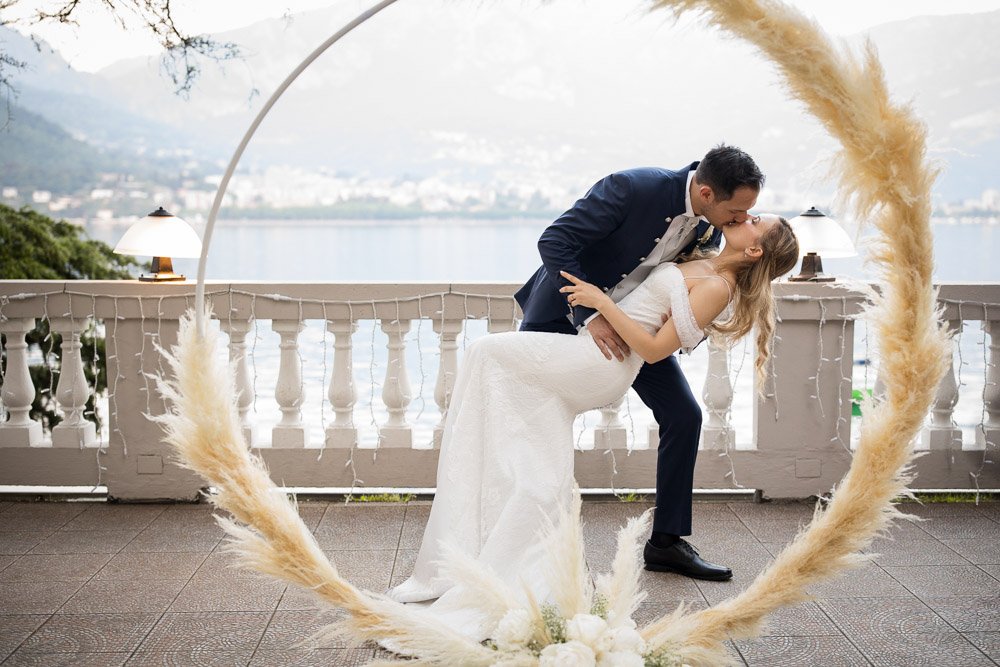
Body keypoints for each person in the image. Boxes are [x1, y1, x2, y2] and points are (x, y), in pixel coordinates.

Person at [389, 209, 799, 639]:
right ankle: (501, 525)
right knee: (498, 382)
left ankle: (512, 518)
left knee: (487, 353)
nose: (746, 215)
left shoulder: (718, 285)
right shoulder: (707, 252)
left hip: (603, 361)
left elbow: (657, 351)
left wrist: (600, 304)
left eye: (756, 220)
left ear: (754, 249)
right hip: (592, 346)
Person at [515, 144, 766, 580]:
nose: (742, 221)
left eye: (748, 215)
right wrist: (589, 314)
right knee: (532, 421)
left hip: (633, 330)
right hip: (564, 316)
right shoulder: (631, 187)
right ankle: (520, 530)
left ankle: (666, 543)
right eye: (738, 212)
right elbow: (554, 240)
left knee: (684, 415)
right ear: (706, 193)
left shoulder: (709, 225)